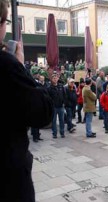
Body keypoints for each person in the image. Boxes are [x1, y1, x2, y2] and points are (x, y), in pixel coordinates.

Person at [1, 1, 53, 201]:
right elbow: (44, 113)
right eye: (5, 21)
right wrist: (19, 66)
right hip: (7, 181)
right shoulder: (6, 66)